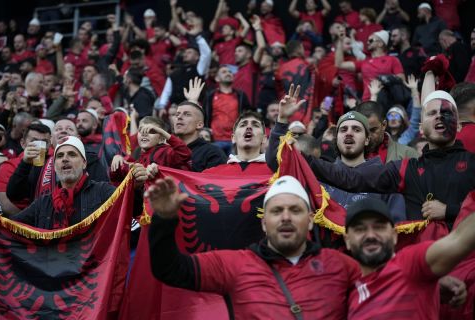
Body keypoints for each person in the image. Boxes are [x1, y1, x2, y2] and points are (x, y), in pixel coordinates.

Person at [267, 78, 475, 241]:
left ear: (458, 125)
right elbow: (350, 178)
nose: (439, 117)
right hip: (424, 265)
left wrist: (450, 211)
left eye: (446, 113)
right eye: (432, 114)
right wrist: (294, 151)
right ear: (421, 127)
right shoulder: (405, 168)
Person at [147, 175, 360, 319]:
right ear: (264, 223)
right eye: (276, 211)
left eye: (295, 210)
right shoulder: (234, 264)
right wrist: (164, 219)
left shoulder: (341, 265)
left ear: (312, 220)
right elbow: (169, 268)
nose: (286, 217)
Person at [344, 198, 470, 319]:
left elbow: (459, 240)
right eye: (360, 229)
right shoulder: (345, 293)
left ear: (394, 235)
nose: (370, 235)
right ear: (347, 240)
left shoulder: (409, 264)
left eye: (379, 227)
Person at [10, 136, 146, 229]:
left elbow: (131, 211)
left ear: (84, 163)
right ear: (55, 166)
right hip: (52, 269)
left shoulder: (102, 191)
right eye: (60, 156)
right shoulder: (43, 202)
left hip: (91, 268)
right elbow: (10, 225)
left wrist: (136, 188)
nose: (65, 159)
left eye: (72, 154)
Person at [321, 111, 406, 225]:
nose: (349, 133)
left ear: (367, 140)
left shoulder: (387, 179)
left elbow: (398, 227)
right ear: (337, 139)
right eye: (343, 129)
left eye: (356, 129)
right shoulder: (321, 177)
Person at [7, 118, 109, 203]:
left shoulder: (91, 161)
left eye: (69, 129)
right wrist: (25, 164)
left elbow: (105, 197)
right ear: (51, 140)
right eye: (58, 129)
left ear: (78, 138)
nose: (63, 131)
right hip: (45, 223)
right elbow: (14, 195)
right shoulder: (40, 165)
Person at [110, 115, 191, 182]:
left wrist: (163, 132)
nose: (144, 134)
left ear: (161, 139)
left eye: (152, 131)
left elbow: (185, 153)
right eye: (141, 130)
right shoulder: (138, 157)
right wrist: (118, 161)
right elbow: (116, 178)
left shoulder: (165, 151)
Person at [174, 78, 227, 172]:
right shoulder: (165, 150)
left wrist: (193, 102)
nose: (179, 117)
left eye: (187, 114)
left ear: (199, 125)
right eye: (177, 114)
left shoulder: (212, 153)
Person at [335, 30, 405, 101]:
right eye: (368, 40)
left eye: (371, 40)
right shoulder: (364, 62)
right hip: (368, 101)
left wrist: (384, 79)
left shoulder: (392, 59)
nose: (367, 42)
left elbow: (402, 79)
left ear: (380, 44)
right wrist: (340, 41)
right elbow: (339, 64)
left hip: (388, 100)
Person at [204, 65, 251, 154]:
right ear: (217, 78)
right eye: (224, 72)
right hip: (215, 140)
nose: (228, 73)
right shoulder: (210, 95)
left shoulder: (240, 95)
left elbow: (248, 115)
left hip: (235, 140)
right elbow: (205, 115)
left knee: (233, 167)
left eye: (230, 72)